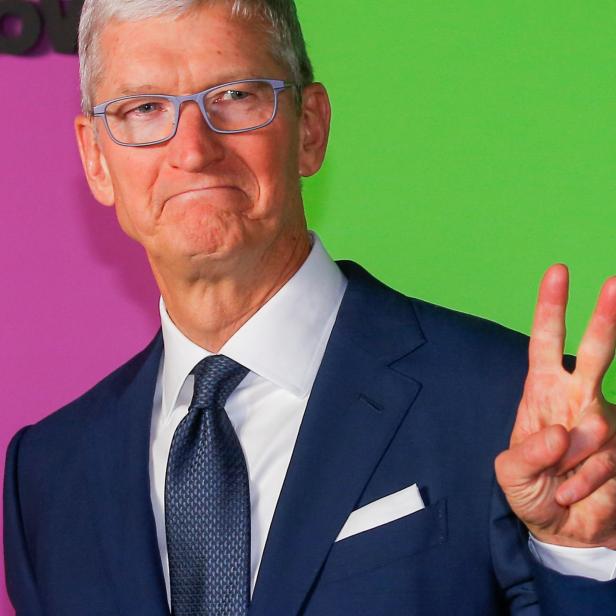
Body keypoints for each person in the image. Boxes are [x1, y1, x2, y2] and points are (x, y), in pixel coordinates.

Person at [4, 1, 616, 614]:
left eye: (236, 96)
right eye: (143, 109)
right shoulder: (47, 476)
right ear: (94, 159)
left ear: (310, 128)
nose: (192, 150)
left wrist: (582, 553)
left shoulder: (509, 406)